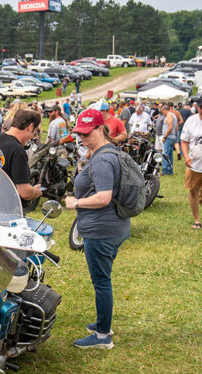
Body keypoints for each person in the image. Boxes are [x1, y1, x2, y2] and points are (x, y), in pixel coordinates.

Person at [65, 108, 130, 350]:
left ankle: (103, 336)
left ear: (101, 129)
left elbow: (103, 197)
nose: (82, 138)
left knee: (101, 282)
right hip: (114, 226)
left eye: (86, 133)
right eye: (79, 134)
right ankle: (103, 322)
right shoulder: (106, 152)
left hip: (102, 230)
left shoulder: (103, 159)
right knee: (104, 278)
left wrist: (76, 203)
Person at [0, 109, 42, 205]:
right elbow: (24, 192)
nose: (33, 136)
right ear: (30, 127)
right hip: (8, 209)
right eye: (36, 131)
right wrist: (35, 192)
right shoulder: (18, 151)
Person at [180, 100, 202, 229]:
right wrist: (186, 156)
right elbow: (184, 141)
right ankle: (197, 220)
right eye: (201, 108)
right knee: (193, 191)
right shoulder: (191, 121)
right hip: (195, 164)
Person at [159, 104, 178, 175]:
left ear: (164, 110)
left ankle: (164, 170)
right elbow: (175, 128)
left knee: (165, 154)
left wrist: (165, 137)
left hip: (168, 137)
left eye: (162, 111)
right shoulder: (173, 115)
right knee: (169, 155)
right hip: (172, 137)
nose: (162, 113)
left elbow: (170, 127)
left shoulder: (169, 115)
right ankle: (170, 170)